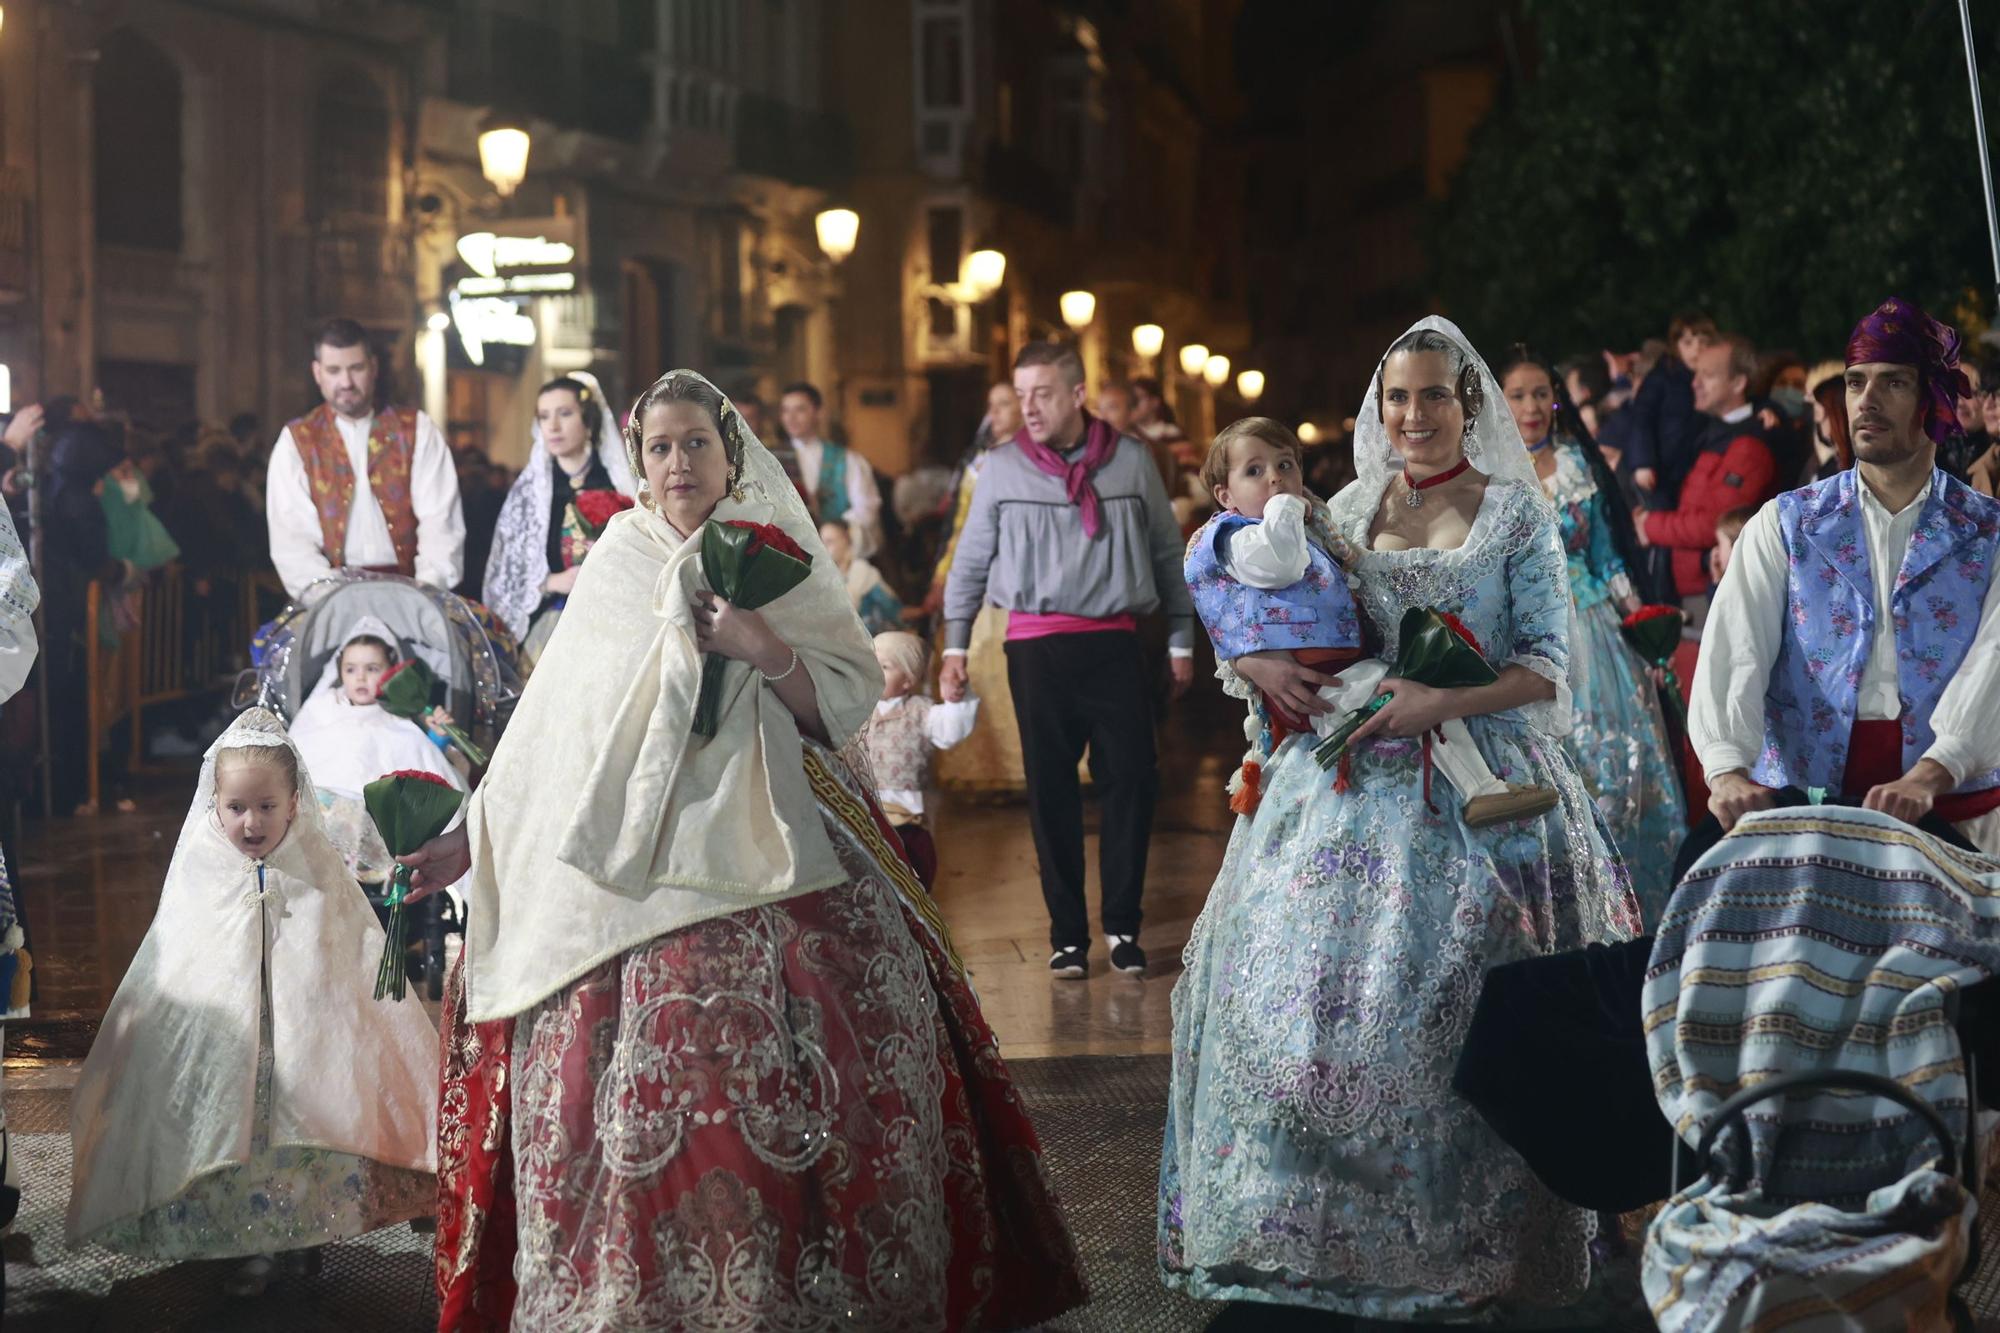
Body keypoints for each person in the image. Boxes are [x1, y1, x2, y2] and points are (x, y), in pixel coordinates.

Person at [397, 370, 1086, 1331]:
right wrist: (465, 842)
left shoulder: (779, 547)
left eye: (697, 444)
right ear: (639, 466)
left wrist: (764, 645)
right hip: (627, 835)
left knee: (862, 992)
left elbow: (837, 704)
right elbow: (549, 737)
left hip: (777, 810)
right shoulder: (617, 563)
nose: (680, 463)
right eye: (661, 448)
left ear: (730, 454)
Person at [1160, 318, 1640, 1320]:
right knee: (1294, 1004)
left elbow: (1548, 666)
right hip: (1338, 779)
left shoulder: (1513, 514)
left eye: (1430, 396)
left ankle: (1457, 1234)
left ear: (1467, 405)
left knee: (1451, 1003)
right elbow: (1261, 606)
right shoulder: (1334, 506)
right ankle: (1305, 1227)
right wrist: (1252, 664)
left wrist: (1436, 701)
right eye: (1395, 398)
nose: (1411, 416)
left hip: (1479, 782)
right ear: (1374, 410)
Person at [65, 709, 438, 1296]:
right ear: (214, 804)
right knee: (236, 1141)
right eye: (236, 807)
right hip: (232, 1050)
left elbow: (345, 956)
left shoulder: (316, 871)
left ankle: (307, 1236)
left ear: (293, 803)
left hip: (303, 1050)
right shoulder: (202, 872)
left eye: (266, 806)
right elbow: (179, 955)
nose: (251, 822)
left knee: (306, 1136)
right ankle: (246, 1242)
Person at [1688, 295, 2000, 866]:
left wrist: (1935, 771)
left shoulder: (1988, 531)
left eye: (1894, 384)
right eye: (1856, 383)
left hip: (1959, 813)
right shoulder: (1784, 523)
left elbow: (1995, 664)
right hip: (1808, 812)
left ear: (1934, 399)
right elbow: (1735, 650)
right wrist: (1728, 771)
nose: (1866, 402)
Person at [941, 342, 1196, 979]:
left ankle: (1123, 926)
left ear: (1077, 394)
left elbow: (1168, 554)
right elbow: (971, 562)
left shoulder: (1133, 461)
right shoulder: (998, 467)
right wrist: (953, 645)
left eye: (1042, 394)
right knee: (1050, 791)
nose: (1028, 407)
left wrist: (1181, 639)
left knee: (1133, 779)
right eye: (1020, 394)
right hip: (1034, 646)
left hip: (1115, 639)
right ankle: (1067, 937)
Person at [1187, 415, 1557, 826]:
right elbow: (1261, 582)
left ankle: (1482, 789)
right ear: (1225, 494)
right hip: (1320, 679)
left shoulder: (1321, 519)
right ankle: (1480, 789)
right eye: (1255, 471)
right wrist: (1251, 661)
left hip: (1361, 671)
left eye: (1285, 465)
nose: (1274, 478)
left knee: (1420, 707)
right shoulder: (1267, 528)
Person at [1499, 347, 1686, 920]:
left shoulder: (1581, 464)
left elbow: (1608, 559)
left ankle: (1637, 913)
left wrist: (1643, 628)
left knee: (1618, 770)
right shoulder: (1488, 474)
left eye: (1540, 393)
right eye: (1518, 395)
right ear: (1499, 403)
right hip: (1524, 642)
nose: (1531, 407)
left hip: (1597, 633)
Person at [266, 318, 466, 599]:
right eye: (334, 370)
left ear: (373, 368)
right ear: (317, 373)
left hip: (413, 591)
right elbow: (292, 541)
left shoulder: (416, 430)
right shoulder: (297, 441)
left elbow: (441, 524)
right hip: (328, 597)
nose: (346, 382)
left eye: (355, 368)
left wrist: (424, 591)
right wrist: (331, 598)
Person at [288, 618, 468, 885]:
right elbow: (294, 757)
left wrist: (438, 737)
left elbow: (423, 756)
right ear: (340, 672)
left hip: (374, 821)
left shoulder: (398, 718)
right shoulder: (322, 710)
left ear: (389, 673)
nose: (360, 677)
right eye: (351, 670)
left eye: (372, 669)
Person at [480, 373, 637, 668]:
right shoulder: (532, 492)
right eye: (544, 416)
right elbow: (506, 575)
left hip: (613, 613)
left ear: (587, 420)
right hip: (551, 621)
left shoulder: (616, 482)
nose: (552, 426)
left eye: (564, 414)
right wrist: (549, 581)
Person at [928, 382, 1032, 796]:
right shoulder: (979, 462)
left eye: (1006, 403)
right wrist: (944, 573)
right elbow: (962, 524)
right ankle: (986, 767)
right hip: (982, 571)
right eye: (993, 405)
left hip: (1023, 574)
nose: (998, 412)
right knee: (979, 658)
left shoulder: (1036, 459)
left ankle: (1027, 768)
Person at [1634, 333, 1779, 621]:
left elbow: (1713, 523)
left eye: (1708, 375)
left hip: (1713, 595)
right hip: (1687, 590)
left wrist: (1648, 525)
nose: (1694, 382)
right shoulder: (1706, 431)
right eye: (1696, 372)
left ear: (1738, 383)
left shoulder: (1749, 446)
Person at [865, 630, 979, 890]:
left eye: (885, 667)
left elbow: (952, 728)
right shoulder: (855, 710)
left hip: (906, 821)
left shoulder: (921, 711)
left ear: (908, 680)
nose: (874, 672)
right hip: (864, 818)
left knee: (911, 880)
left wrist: (956, 697)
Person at [774, 380, 883, 557]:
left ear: (819, 413)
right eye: (786, 410)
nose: (791, 417)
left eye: (800, 409)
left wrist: (838, 530)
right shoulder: (771, 458)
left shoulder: (847, 460)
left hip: (834, 553)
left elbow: (866, 506)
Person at [820, 519, 903, 635]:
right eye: (822, 542)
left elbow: (894, 611)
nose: (824, 548)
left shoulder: (862, 571)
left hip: (879, 640)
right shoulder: (830, 578)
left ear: (845, 540)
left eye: (829, 542)